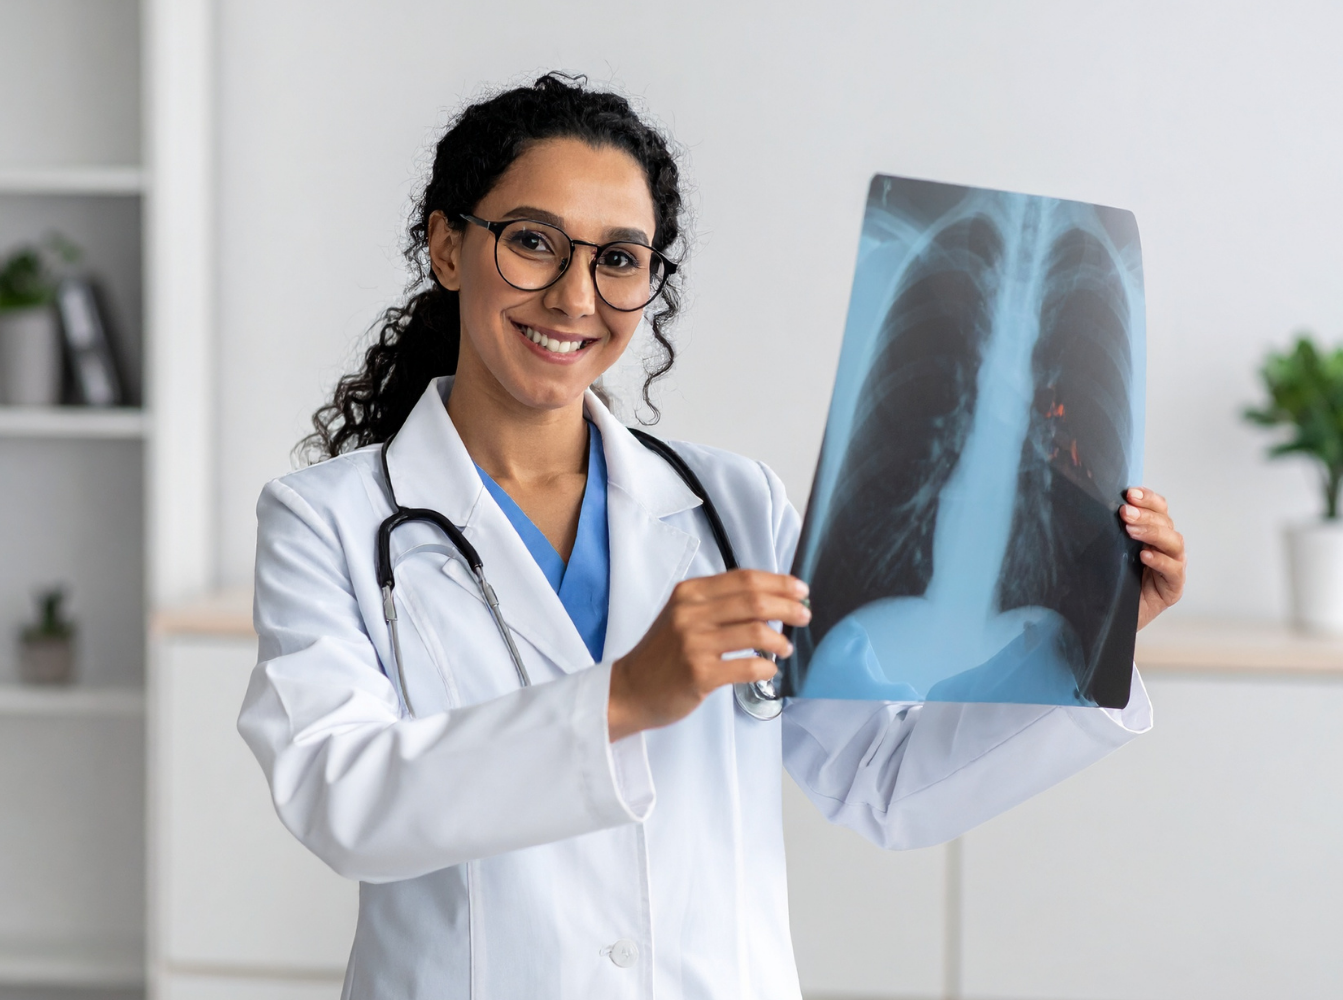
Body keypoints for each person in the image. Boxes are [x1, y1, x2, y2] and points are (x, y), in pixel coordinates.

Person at [238, 73, 1186, 1000]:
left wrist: (1097, 635)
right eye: (532, 242)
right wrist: (623, 697)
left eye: (619, 259)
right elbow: (338, 798)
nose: (574, 297)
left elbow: (883, 779)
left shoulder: (734, 505)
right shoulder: (325, 520)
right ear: (448, 247)